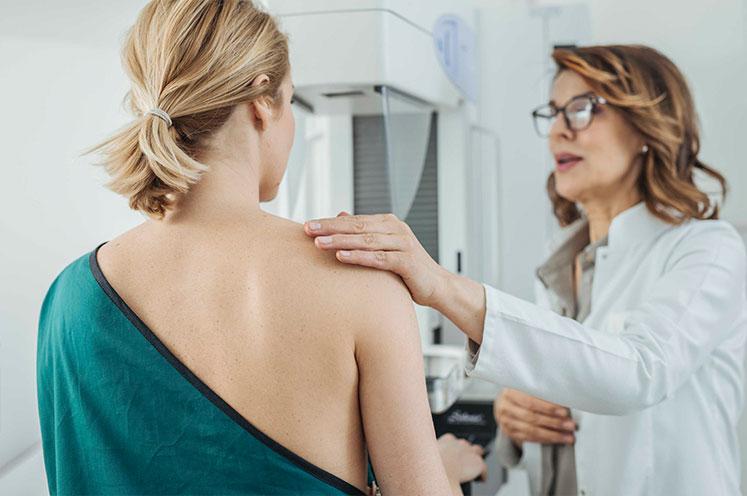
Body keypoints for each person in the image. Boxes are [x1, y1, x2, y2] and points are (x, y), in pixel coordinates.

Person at [36, 1, 486, 494]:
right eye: (290, 100)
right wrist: (443, 467)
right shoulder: (361, 284)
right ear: (262, 101)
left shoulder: (68, 298)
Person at [304, 45, 747, 495]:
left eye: (581, 109)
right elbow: (569, 378)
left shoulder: (708, 250)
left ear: (647, 127)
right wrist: (512, 421)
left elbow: (639, 371)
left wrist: (441, 286)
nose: (557, 131)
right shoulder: (558, 267)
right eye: (553, 113)